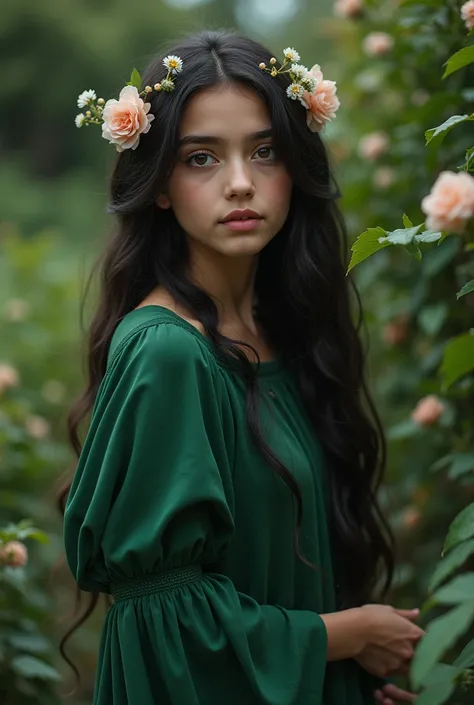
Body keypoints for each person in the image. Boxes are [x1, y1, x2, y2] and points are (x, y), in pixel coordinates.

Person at [62, 29, 424, 705]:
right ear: (161, 184)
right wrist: (344, 637)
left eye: (266, 151)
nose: (240, 183)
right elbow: (159, 626)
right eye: (201, 157)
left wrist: (345, 679)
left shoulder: (288, 338)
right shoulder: (169, 354)